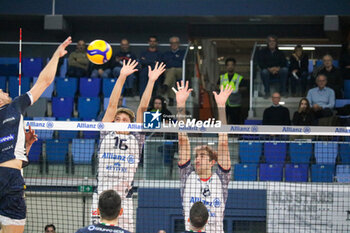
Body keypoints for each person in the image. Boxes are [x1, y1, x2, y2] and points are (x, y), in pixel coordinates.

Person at [0, 37, 72, 233]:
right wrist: (56, 54)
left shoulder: (13, 108)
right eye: (0, 91)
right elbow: (45, 81)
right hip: (9, 176)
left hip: (12, 174)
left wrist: (25, 147)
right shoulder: (13, 105)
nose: (3, 91)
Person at [91, 60, 166, 233]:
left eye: (125, 120)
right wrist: (122, 76)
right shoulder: (106, 134)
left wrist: (152, 80)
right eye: (117, 119)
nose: (120, 122)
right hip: (100, 196)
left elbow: (142, 108)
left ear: (131, 124)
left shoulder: (136, 138)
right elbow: (112, 105)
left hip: (124, 199)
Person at [176, 81, 232, 233]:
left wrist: (221, 107)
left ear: (213, 162)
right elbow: (182, 140)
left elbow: (224, 143)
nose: (197, 159)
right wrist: (180, 104)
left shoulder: (221, 177)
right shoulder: (187, 174)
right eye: (196, 156)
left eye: (202, 156)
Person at [161, 36, 185, 106]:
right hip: (169, 72)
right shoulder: (166, 53)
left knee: (172, 70)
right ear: (170, 44)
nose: (174, 44)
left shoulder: (183, 53)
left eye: (176, 43)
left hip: (180, 71)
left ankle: (165, 86)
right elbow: (166, 63)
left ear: (179, 44)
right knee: (172, 76)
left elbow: (180, 63)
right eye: (172, 43)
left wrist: (172, 63)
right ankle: (171, 99)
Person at [219, 58, 244, 124]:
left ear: (234, 66)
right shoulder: (222, 77)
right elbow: (217, 87)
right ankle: (223, 134)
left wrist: (238, 90)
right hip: (224, 103)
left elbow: (244, 88)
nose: (230, 66)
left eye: (232, 65)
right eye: (228, 65)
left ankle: (235, 134)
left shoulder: (239, 77)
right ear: (226, 66)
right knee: (223, 122)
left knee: (235, 123)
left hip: (235, 104)